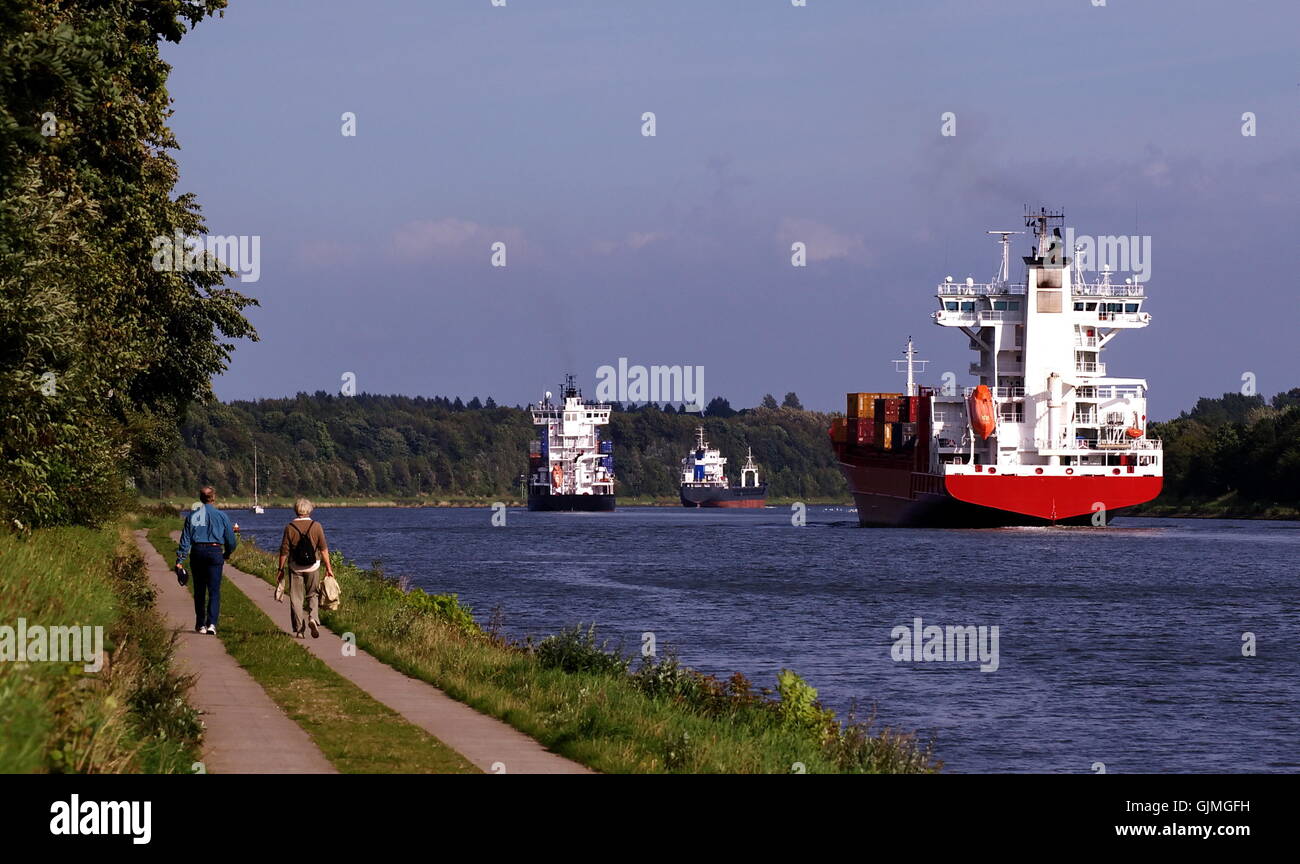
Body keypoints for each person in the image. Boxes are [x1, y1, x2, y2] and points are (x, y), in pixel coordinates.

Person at [176, 486, 238, 635]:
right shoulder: (222, 516)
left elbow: (185, 539)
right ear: (213, 498)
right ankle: (212, 624)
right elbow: (231, 539)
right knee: (214, 590)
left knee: (199, 590)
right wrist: (227, 552)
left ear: (200, 498)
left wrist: (180, 559)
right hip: (215, 551)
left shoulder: (192, 516)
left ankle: (200, 624)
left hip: (197, 551)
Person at [276, 498, 334, 638]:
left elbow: (284, 551)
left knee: (296, 598)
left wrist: (280, 569)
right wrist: (328, 568)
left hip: (295, 566)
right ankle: (313, 618)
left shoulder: (290, 527)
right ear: (309, 510)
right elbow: (323, 549)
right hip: (313, 566)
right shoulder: (316, 526)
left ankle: (299, 629)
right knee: (313, 594)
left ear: (296, 510)